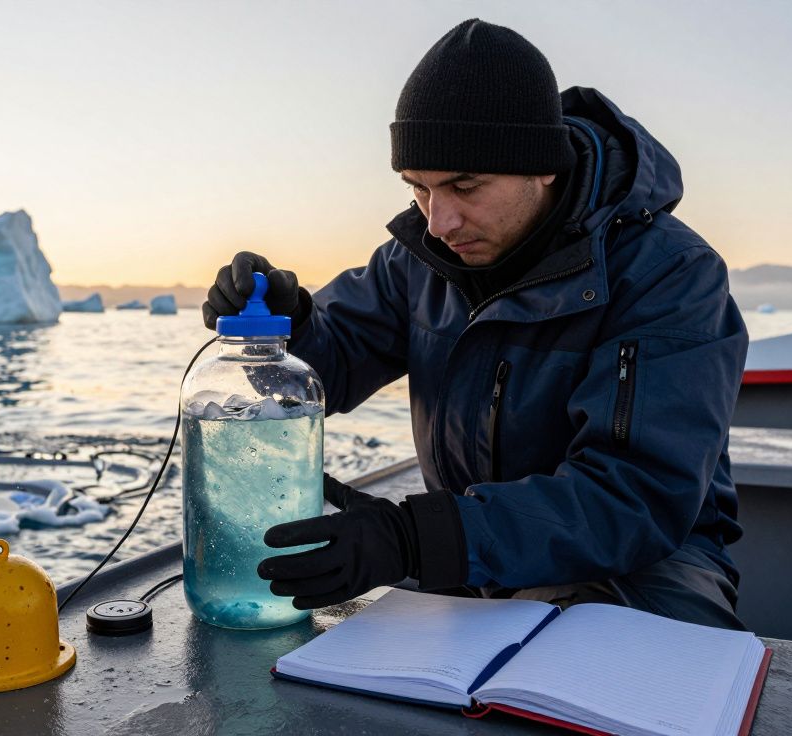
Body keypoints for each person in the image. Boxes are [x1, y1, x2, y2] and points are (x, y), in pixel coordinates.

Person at [202, 18, 749, 629]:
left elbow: (635, 498)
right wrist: (289, 330)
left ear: (544, 167)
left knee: (596, 663)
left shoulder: (669, 273)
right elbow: (328, 369)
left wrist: (416, 539)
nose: (440, 222)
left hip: (643, 565)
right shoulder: (414, 262)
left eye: (465, 186)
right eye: (419, 188)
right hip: (465, 548)